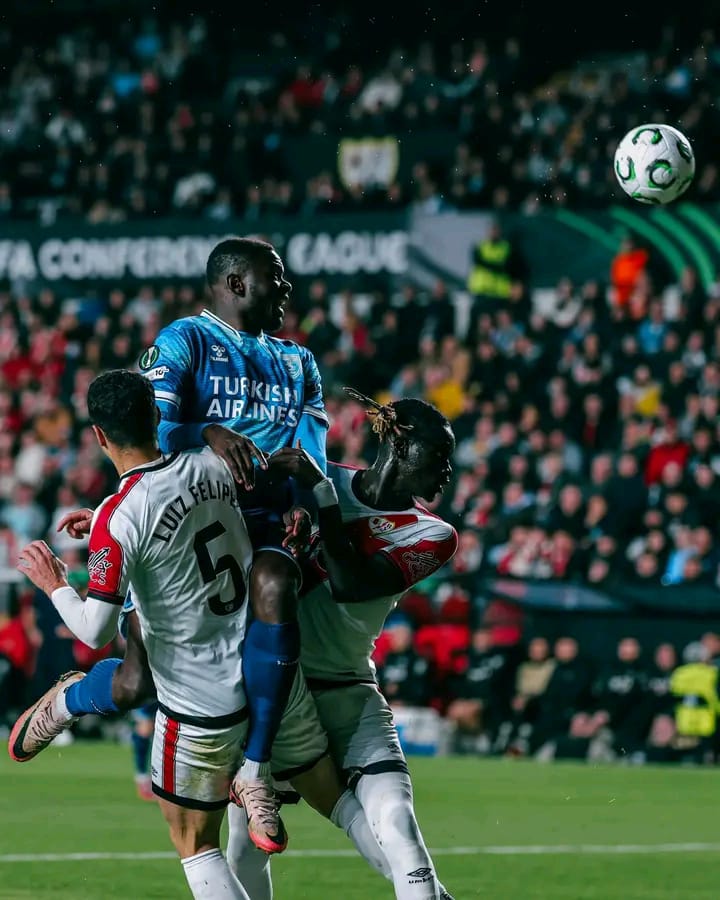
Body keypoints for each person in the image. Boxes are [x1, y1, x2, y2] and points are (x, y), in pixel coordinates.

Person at [43, 237, 330, 852]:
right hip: (189, 522)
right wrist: (207, 430)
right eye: (271, 278)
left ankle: (255, 771)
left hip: (267, 529)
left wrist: (308, 503)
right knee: (133, 685)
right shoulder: (184, 342)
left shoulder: (300, 362)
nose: (285, 289)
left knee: (273, 586)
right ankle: (69, 700)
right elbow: (148, 433)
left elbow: (314, 458)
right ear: (231, 283)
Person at [9, 370, 256, 898]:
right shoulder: (214, 463)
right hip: (255, 676)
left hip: (195, 705)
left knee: (195, 843)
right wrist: (104, 519)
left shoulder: (120, 518)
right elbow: (175, 512)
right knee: (243, 843)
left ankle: (70, 700)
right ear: (157, 416)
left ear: (99, 436)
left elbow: (94, 629)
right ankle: (72, 702)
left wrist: (55, 584)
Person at [236, 388, 458, 900]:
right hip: (276, 691)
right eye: (440, 454)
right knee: (243, 846)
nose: (448, 470)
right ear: (400, 443)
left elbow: (350, 582)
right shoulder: (320, 472)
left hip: (348, 693)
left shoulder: (433, 533)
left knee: (396, 820)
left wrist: (323, 501)